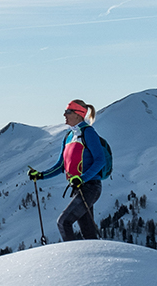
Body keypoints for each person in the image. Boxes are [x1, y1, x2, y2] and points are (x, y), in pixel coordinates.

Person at [28, 99, 108, 241]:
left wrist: (82, 178)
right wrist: (40, 175)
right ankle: (94, 261)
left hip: (90, 187)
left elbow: (100, 160)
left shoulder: (88, 133)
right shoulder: (69, 136)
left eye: (68, 112)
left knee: (63, 222)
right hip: (78, 188)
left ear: (78, 114)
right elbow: (61, 166)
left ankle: (70, 258)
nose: (64, 115)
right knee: (88, 232)